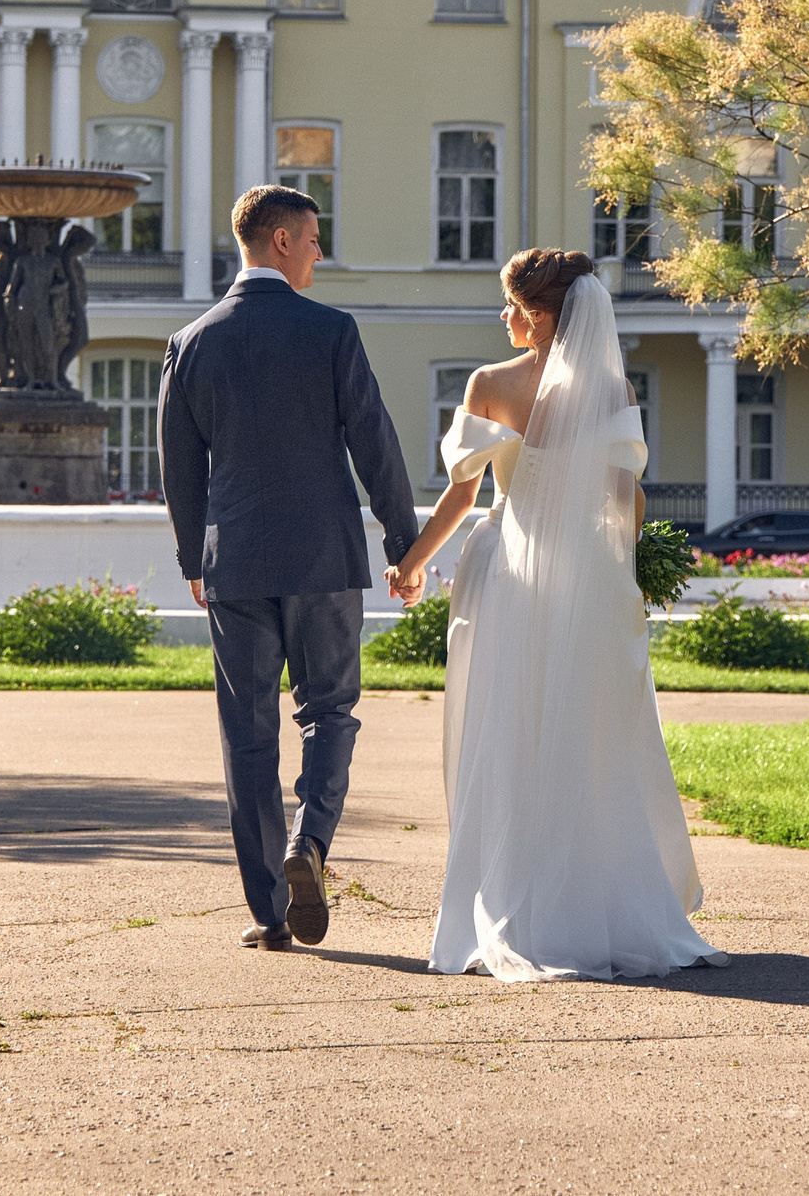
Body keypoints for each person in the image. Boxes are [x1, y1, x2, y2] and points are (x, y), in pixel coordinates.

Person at [385, 248, 729, 980]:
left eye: (510, 304)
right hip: (585, 582)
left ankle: (511, 899)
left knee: (504, 732)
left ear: (539, 314)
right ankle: (594, 908)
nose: (503, 316)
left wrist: (414, 560)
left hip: (508, 571)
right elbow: (624, 500)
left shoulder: (490, 383)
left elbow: (462, 494)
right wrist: (630, 556)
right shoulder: (609, 388)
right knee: (587, 736)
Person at [159, 186, 422, 952]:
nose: (318, 251)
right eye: (312, 239)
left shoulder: (191, 342)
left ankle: (270, 910)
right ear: (279, 240)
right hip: (324, 557)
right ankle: (309, 842)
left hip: (234, 561)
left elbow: (180, 468)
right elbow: (376, 441)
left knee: (248, 733)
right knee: (329, 711)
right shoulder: (331, 331)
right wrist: (402, 544)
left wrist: (192, 557)